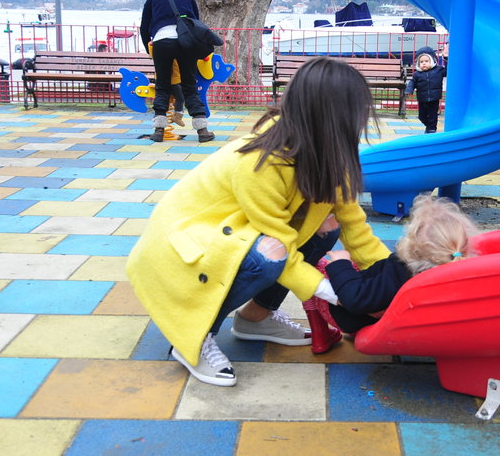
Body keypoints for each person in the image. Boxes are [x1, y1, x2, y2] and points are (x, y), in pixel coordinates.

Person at [126, 57, 392, 386]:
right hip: (184, 242)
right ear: (330, 115)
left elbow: (355, 227)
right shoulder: (263, 160)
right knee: (270, 254)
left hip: (233, 232)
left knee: (326, 227)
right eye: (356, 110)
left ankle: (256, 318)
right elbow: (281, 243)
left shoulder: (328, 153)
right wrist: (341, 295)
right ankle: (193, 337)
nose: (361, 119)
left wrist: (394, 279)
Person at [304, 194, 480, 343]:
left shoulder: (401, 271)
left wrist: (340, 264)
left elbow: (356, 298)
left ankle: (321, 335)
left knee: (313, 270)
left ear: (413, 245)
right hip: (411, 322)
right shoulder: (461, 272)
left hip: (351, 317)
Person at [140, 0, 214, 143]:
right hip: (184, 41)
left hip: (161, 41)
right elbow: (195, 21)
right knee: (189, 85)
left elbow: (144, 26)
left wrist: (149, 48)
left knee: (162, 86)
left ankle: (159, 130)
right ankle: (202, 130)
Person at [405, 46, 447, 133]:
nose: (424, 63)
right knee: (421, 117)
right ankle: (429, 126)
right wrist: (409, 90)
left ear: (432, 61)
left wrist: (446, 59)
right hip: (422, 98)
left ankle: (432, 129)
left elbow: (448, 71)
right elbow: (412, 83)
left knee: (432, 115)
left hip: (434, 98)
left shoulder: (439, 70)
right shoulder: (417, 74)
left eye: (426, 61)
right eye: (421, 62)